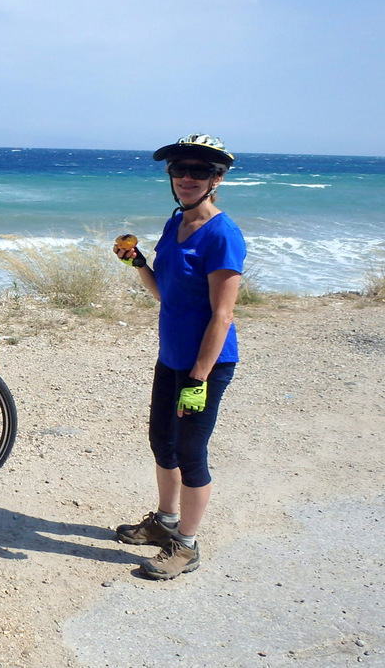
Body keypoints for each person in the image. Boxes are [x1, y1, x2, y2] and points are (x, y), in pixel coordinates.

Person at [113, 133, 246, 580]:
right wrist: (137, 263)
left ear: (217, 178)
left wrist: (199, 377)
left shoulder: (223, 235)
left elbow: (222, 316)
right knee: (161, 443)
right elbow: (165, 294)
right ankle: (164, 523)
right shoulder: (176, 224)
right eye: (179, 169)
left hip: (204, 367)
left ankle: (186, 546)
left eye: (199, 170)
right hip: (171, 358)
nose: (187, 177)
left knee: (191, 453)